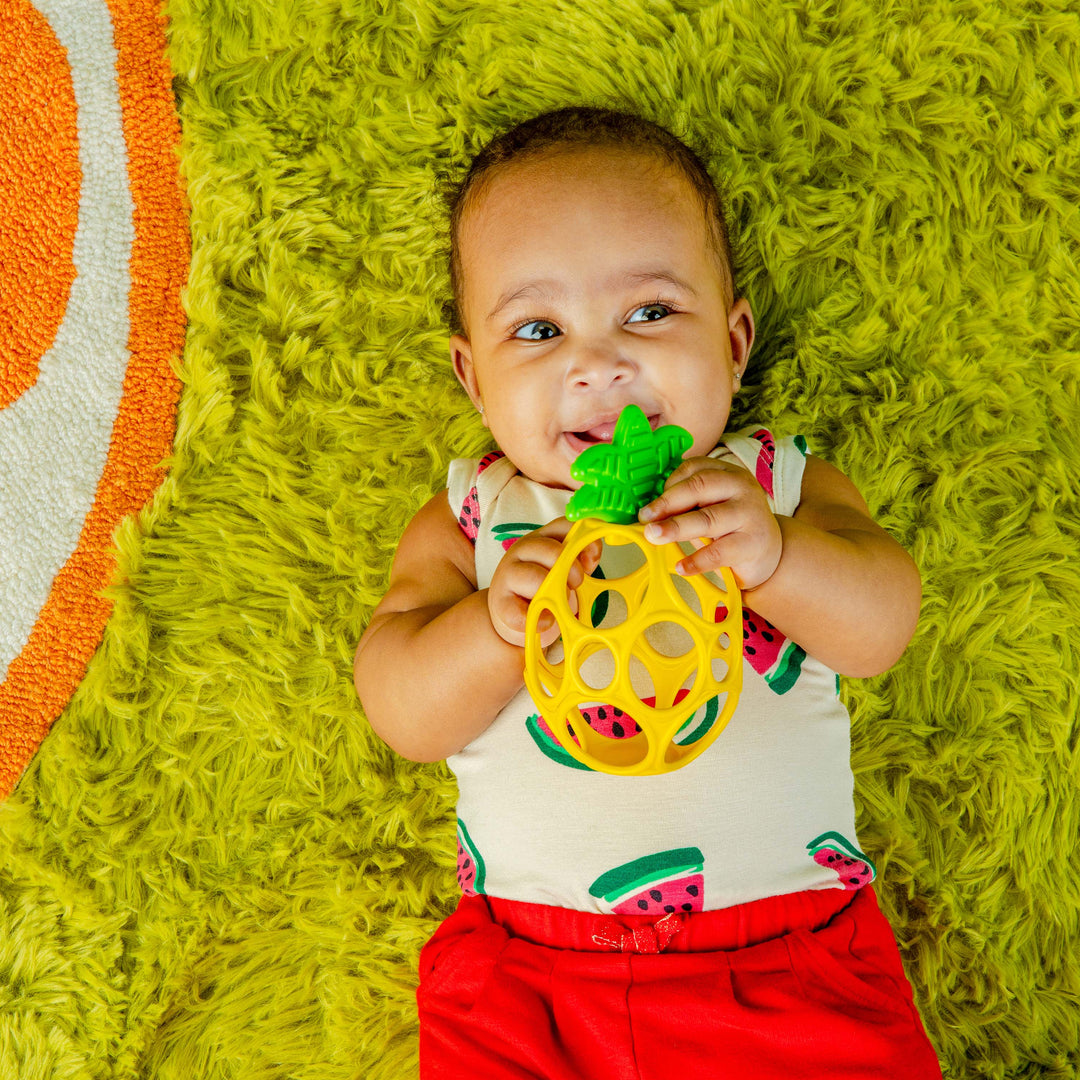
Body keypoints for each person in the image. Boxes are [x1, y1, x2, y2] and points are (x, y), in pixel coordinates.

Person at [353, 105, 942, 1079]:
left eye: (651, 313)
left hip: (790, 968)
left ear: (735, 340)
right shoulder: (477, 515)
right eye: (538, 329)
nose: (598, 363)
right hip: (528, 985)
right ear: (473, 375)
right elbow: (401, 709)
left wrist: (779, 559)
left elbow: (882, 626)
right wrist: (493, 628)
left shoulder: (772, 486)